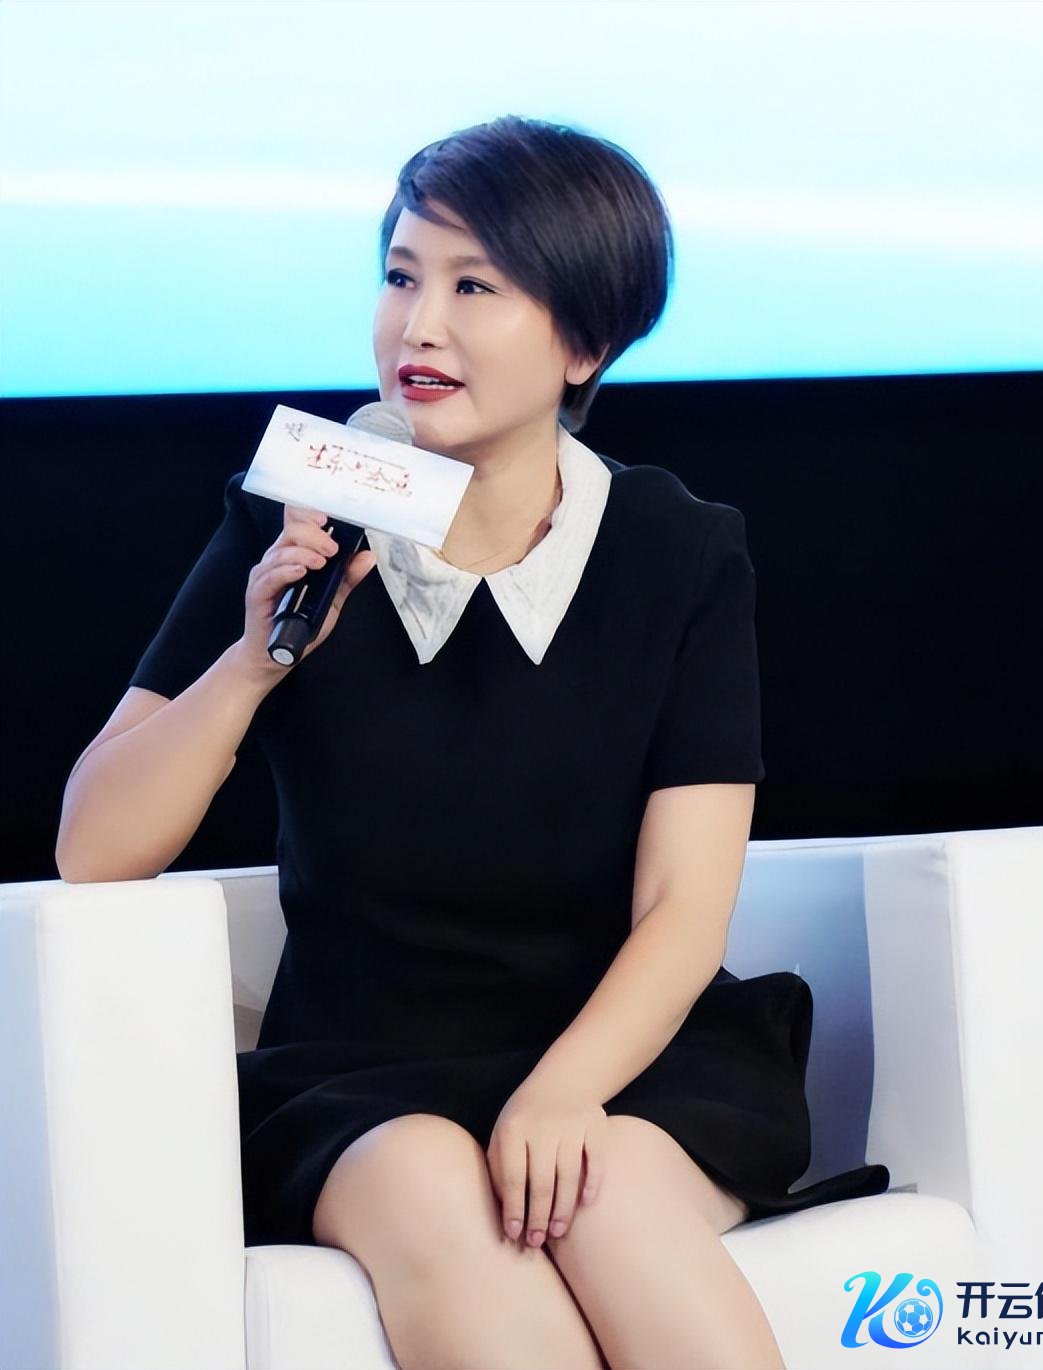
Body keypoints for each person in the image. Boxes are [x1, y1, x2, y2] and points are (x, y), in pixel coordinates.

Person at [56, 115, 889, 1370]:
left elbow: (682, 904)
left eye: (474, 287)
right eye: (401, 277)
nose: (419, 327)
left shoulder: (676, 549)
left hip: (622, 1052)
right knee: (437, 1192)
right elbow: (95, 845)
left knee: (601, 1191)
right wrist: (255, 658)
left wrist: (562, 1088)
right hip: (360, 1066)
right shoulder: (302, 509)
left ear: (585, 342)